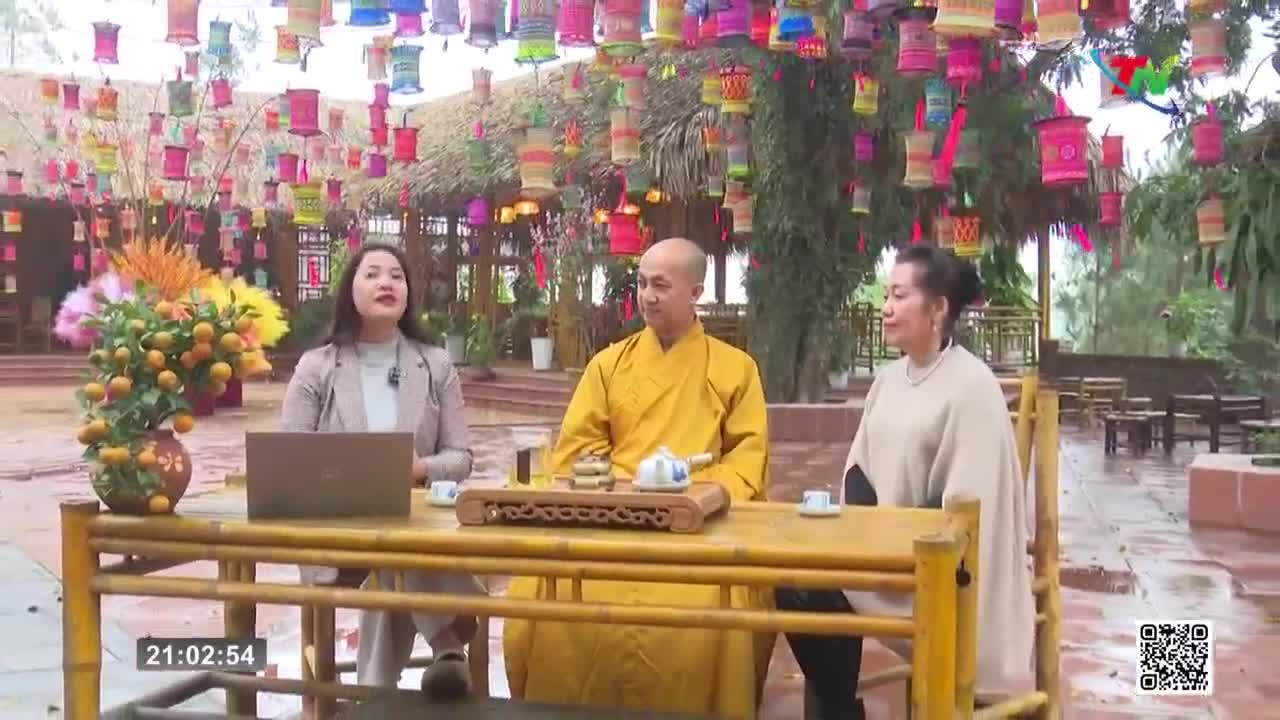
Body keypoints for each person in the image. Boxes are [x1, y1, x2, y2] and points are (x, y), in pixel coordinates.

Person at [502, 237, 772, 716]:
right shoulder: (609, 365)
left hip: (697, 526)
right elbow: (578, 450)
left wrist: (696, 498)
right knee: (544, 584)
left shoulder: (735, 370)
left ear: (695, 293)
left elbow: (746, 460)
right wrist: (619, 491)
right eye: (643, 283)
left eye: (662, 286)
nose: (647, 295)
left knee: (717, 598)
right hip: (613, 518)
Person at [777, 244, 1035, 719]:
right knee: (794, 583)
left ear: (938, 308)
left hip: (942, 570)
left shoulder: (972, 385)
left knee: (814, 591)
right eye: (886, 295)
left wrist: (902, 546)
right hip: (886, 557)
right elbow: (860, 470)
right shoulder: (890, 378)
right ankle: (839, 709)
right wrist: (862, 535)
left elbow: (969, 506)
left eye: (899, 295)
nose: (887, 307)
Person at [280, 243, 485, 699]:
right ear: (349, 292)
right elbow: (289, 453)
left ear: (408, 294)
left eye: (396, 275)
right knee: (397, 551)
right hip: (338, 525)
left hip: (412, 525)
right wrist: (342, 474)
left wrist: (420, 467)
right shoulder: (318, 366)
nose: (386, 283)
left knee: (395, 552)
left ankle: (372, 695)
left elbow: (461, 457)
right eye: (372, 274)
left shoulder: (434, 364)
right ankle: (447, 641)